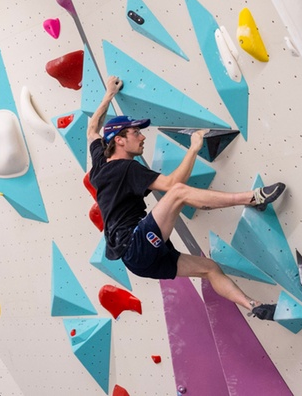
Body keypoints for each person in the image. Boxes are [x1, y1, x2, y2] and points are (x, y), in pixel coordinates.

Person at [87, 75, 286, 319]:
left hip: (139, 261)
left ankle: (254, 306)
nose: (143, 137)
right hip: (135, 244)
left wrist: (109, 94)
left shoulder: (99, 164)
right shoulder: (127, 168)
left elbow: (92, 129)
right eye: (135, 133)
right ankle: (253, 198)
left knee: (210, 269)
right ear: (119, 140)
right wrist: (193, 148)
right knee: (178, 193)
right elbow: (171, 184)